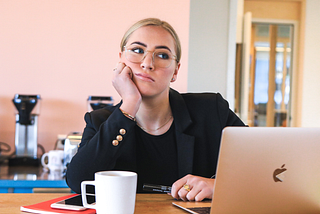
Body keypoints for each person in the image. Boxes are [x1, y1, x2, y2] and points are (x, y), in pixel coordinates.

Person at [66, 18, 245, 202]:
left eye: (162, 55)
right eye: (137, 51)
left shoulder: (212, 110)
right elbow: (78, 182)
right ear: (121, 60)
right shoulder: (100, 121)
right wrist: (129, 104)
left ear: (175, 71)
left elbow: (265, 167)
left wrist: (219, 186)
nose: (147, 63)